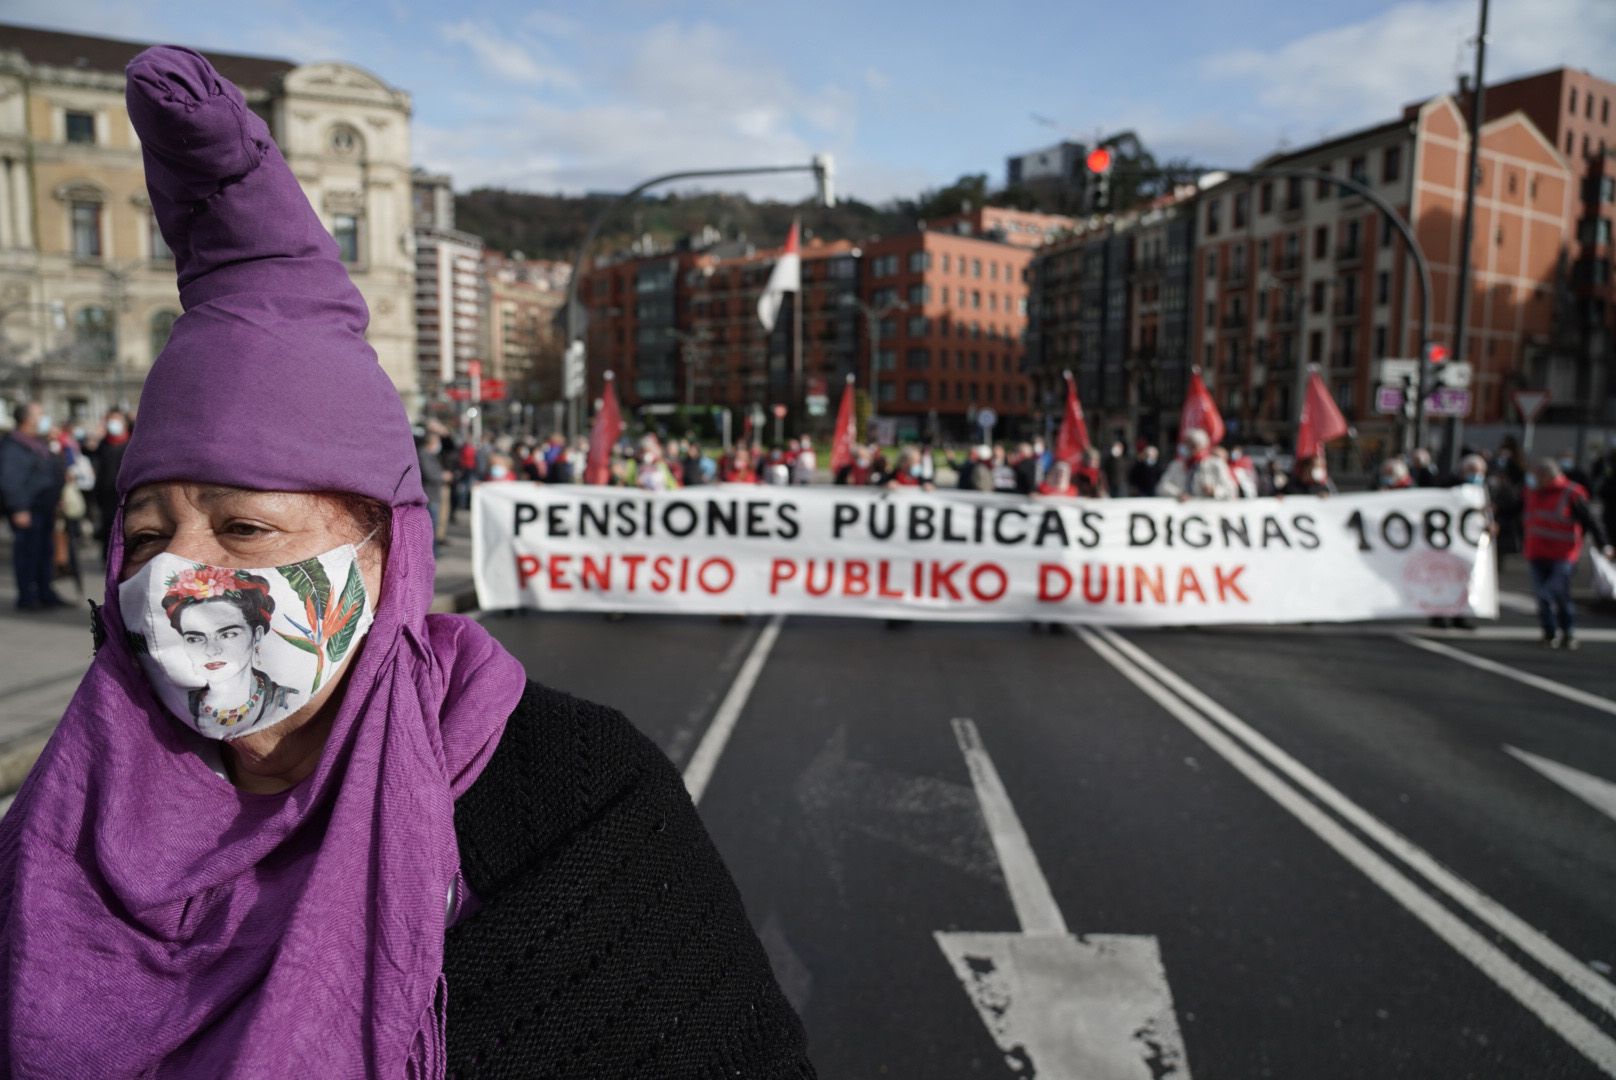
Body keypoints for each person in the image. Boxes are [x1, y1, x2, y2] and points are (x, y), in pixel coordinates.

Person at [0, 48, 814, 1079]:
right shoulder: (68, 815)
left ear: (384, 552)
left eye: (243, 529)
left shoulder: (573, 794)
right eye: (149, 536)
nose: (174, 581)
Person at [1523, 456, 1614, 650]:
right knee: (1545, 595)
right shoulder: (1533, 492)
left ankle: (1567, 631)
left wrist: (1604, 544)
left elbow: (1590, 520)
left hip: (1563, 555)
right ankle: (1550, 633)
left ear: (1547, 475)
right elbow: (1515, 510)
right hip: (1537, 552)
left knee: (1552, 593)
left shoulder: (1571, 493)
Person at [0, 401, 68, 610]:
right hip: (27, 509)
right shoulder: (14, 446)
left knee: (44, 552)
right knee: (27, 553)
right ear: (28, 419)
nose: (45, 418)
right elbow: (10, 480)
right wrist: (19, 508)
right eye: (41, 414)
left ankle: (45, 591)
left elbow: (52, 471)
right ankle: (27, 596)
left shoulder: (38, 443)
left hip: (44, 507)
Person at [87, 408, 132, 563]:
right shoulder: (102, 444)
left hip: (126, 493)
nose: (114, 424)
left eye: (117, 420)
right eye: (110, 420)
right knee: (108, 527)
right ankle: (108, 559)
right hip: (105, 495)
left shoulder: (132, 443)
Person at [1155, 429, 1237, 501]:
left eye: (1189, 444)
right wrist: (1179, 494)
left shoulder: (1215, 464)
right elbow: (1161, 487)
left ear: (1198, 446)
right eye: (1184, 443)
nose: (1184, 447)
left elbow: (1231, 490)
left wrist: (1214, 491)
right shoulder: (1176, 465)